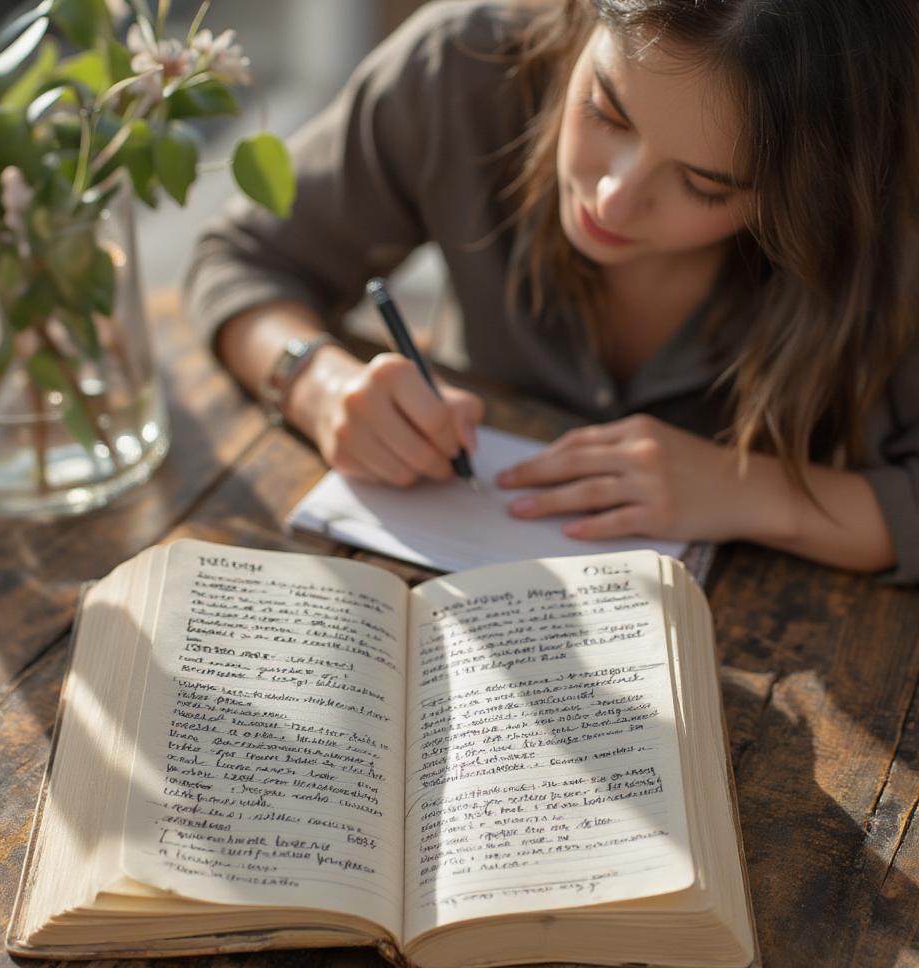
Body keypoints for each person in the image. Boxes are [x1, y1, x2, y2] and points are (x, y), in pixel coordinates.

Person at [185, 0, 919, 583]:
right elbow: (242, 257)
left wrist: (754, 492)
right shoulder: (462, 69)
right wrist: (318, 381)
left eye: (703, 185)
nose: (612, 198)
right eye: (606, 110)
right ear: (581, 22)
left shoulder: (890, 224)